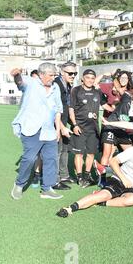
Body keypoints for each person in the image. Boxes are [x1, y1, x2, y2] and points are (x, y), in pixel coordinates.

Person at [56, 135, 133, 217]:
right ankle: (70, 208)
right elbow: (113, 161)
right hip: (119, 180)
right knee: (104, 194)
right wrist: (124, 179)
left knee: (132, 200)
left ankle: (101, 202)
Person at [10, 63, 65, 200]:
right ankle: (19, 184)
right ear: (41, 74)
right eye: (50, 75)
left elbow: (58, 109)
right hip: (30, 129)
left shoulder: (55, 87)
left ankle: (47, 188)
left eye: (54, 75)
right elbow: (20, 83)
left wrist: (58, 130)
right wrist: (17, 74)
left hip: (49, 131)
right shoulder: (32, 83)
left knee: (51, 159)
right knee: (29, 158)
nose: (53, 78)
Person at [97, 89, 133, 187]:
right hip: (110, 126)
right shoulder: (126, 104)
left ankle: (126, 176)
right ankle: (102, 180)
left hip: (122, 130)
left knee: (131, 153)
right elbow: (123, 120)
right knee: (107, 153)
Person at [69, 69, 105, 188]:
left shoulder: (97, 92)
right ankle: (79, 177)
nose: (90, 80)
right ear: (83, 78)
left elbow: (106, 106)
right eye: (87, 77)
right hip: (79, 127)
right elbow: (71, 109)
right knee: (79, 154)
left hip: (93, 129)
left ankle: (87, 175)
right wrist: (74, 125)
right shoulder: (76, 90)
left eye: (92, 78)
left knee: (91, 153)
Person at [51, 61, 77, 190]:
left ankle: (64, 176)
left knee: (64, 150)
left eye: (75, 73)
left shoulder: (67, 85)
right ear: (62, 72)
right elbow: (53, 108)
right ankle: (54, 180)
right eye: (70, 73)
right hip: (55, 124)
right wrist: (61, 127)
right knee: (57, 152)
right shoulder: (56, 84)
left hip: (64, 123)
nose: (73, 75)